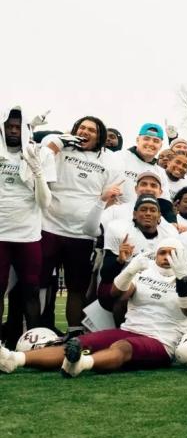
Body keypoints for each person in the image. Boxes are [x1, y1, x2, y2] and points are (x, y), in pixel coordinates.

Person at [0, 240, 187, 375]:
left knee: (123, 347)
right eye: (162, 252)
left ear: (183, 256)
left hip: (162, 341)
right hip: (129, 329)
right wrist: (129, 271)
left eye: (173, 253)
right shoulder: (145, 271)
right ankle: (13, 359)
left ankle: (83, 364)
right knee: (79, 343)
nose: (166, 257)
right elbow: (117, 294)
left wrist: (182, 280)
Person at [42, 116, 117, 335]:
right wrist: (59, 142)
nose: (85, 132)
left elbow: (111, 197)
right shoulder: (61, 148)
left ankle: (74, 334)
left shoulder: (109, 160)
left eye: (91, 130)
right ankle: (37, 331)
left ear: (100, 136)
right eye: (82, 128)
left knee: (76, 288)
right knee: (41, 284)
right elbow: (40, 160)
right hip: (49, 226)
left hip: (82, 235)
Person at [0, 107, 54, 341]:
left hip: (27, 234)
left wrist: (37, 171)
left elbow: (45, 202)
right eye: (9, 126)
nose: (13, 131)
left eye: (18, 127)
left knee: (31, 289)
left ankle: (35, 341)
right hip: (1, 233)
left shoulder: (41, 153)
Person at [108, 123, 170, 202]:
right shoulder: (119, 157)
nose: (150, 143)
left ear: (160, 145)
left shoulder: (160, 172)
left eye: (156, 141)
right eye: (146, 139)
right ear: (137, 140)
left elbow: (164, 201)